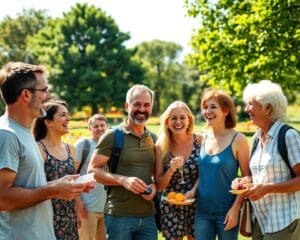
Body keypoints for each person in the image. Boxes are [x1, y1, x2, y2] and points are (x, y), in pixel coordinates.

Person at [0, 62, 92, 240]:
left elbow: (28, 185)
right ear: (26, 95)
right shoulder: (7, 135)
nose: (48, 96)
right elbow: (2, 198)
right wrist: (53, 191)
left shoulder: (23, 132)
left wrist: (59, 185)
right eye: (44, 90)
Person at [88, 84, 158, 240]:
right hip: (119, 217)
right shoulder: (113, 135)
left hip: (148, 217)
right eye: (137, 104)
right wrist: (123, 180)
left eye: (146, 105)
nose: (142, 109)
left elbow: (155, 175)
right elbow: (92, 171)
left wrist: (154, 185)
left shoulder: (153, 139)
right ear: (127, 106)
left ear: (151, 108)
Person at [233, 80, 300, 240]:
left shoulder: (289, 136)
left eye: (251, 104)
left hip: (284, 220)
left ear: (268, 108)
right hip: (260, 220)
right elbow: (259, 176)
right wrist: (244, 181)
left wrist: (269, 188)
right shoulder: (257, 137)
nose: (246, 109)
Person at [195, 89, 250, 240]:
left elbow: (248, 179)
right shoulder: (202, 138)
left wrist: (235, 209)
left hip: (227, 212)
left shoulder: (239, 139)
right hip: (201, 212)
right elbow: (203, 174)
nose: (207, 111)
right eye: (205, 107)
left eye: (213, 107)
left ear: (226, 111)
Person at [32, 99, 81, 240]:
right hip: (46, 217)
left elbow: (73, 179)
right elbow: (33, 185)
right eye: (63, 115)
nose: (68, 118)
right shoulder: (38, 149)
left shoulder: (70, 148)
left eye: (68, 114)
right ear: (48, 122)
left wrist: (78, 206)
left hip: (69, 216)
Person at [155, 100, 201, 240]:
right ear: (167, 122)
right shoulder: (161, 146)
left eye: (182, 117)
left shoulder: (200, 141)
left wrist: (193, 190)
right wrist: (170, 170)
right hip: (171, 204)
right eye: (173, 118)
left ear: (189, 120)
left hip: (197, 202)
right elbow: (159, 186)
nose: (178, 122)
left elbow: (205, 173)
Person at [75, 114, 109, 240]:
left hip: (106, 208)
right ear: (90, 128)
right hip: (87, 207)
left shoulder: (110, 147)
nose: (99, 128)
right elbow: (72, 175)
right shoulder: (83, 145)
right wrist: (78, 201)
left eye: (102, 125)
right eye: (96, 126)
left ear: (107, 127)